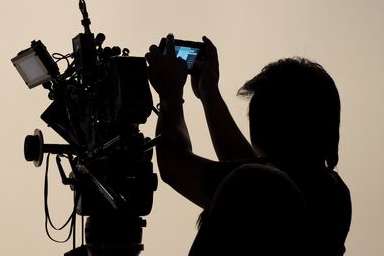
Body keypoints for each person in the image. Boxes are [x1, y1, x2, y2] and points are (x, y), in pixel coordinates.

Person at [145, 34, 351, 255]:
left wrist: (170, 96)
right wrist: (209, 94)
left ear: (264, 123)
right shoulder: (332, 192)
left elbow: (175, 167)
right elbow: (247, 166)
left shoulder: (258, 187)